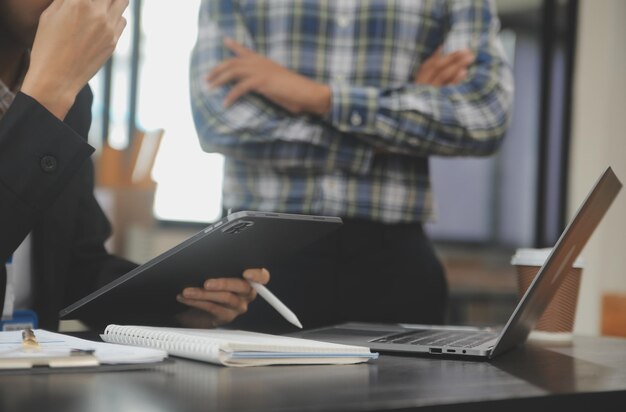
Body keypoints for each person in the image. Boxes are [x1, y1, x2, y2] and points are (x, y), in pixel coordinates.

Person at [190, 0, 514, 333]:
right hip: (256, 267)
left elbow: (485, 117)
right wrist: (398, 116)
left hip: (397, 266)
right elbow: (219, 123)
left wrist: (316, 97)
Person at [0, 0, 269, 332]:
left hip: (34, 365)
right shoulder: (59, 89)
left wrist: (178, 302)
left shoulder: (73, 95)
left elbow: (74, 269)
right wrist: (50, 92)